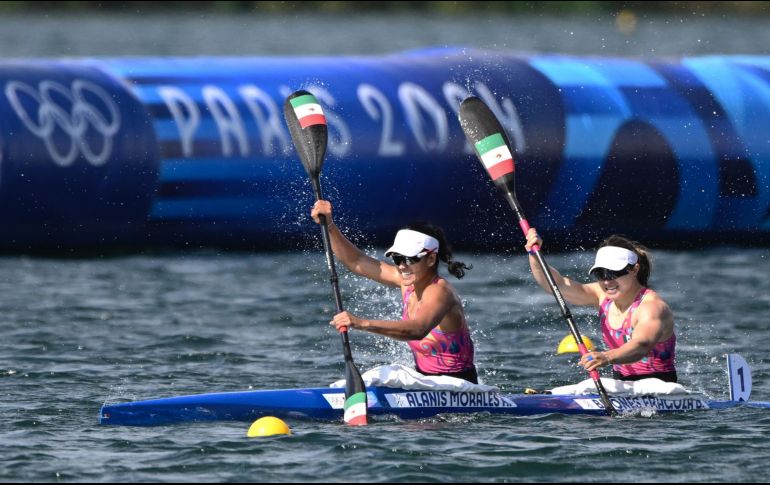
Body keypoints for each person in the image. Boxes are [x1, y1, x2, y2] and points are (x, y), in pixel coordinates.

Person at [311, 200, 478, 383]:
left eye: (410, 258)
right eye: (397, 258)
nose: (402, 265)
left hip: (460, 386)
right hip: (427, 384)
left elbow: (418, 329)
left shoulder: (440, 291)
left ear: (431, 259)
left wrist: (361, 323)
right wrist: (329, 226)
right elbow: (356, 261)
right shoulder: (407, 280)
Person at [524, 228, 677, 382]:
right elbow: (557, 285)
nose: (607, 281)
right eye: (601, 274)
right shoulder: (602, 295)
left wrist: (606, 356)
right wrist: (534, 255)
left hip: (659, 387)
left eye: (613, 273)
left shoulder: (651, 307)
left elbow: (642, 345)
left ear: (635, 269)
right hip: (621, 386)